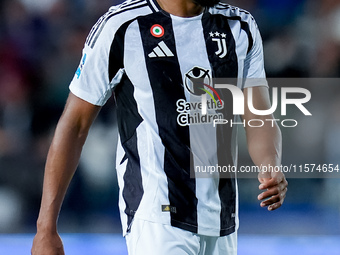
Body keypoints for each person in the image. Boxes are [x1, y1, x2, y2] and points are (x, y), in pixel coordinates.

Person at [31, 0, 288, 254]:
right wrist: (45, 228)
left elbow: (259, 115)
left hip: (222, 217)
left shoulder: (240, 26)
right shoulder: (122, 26)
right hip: (156, 214)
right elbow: (75, 124)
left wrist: (270, 164)